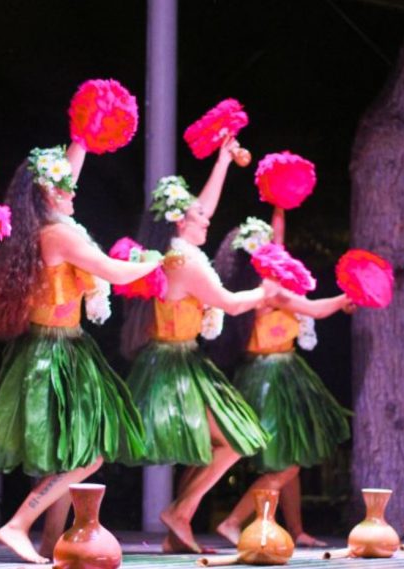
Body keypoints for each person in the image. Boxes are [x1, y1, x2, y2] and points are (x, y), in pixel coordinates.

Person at [0, 142, 161, 563]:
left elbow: (65, 177)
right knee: (87, 455)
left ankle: (48, 542)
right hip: (55, 352)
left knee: (62, 453)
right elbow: (113, 272)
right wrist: (154, 262)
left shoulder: (41, 230)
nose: (75, 194)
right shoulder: (58, 234)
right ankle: (18, 524)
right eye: (66, 189)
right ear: (47, 194)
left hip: (52, 345)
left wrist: (81, 139)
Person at [120, 138, 271, 553]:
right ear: (180, 223)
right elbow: (230, 303)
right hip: (174, 366)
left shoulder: (178, 249)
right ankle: (181, 512)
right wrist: (267, 291)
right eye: (198, 217)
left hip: (180, 358)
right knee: (235, 441)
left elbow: (204, 206)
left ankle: (177, 526)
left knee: (218, 443)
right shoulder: (185, 262)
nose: (208, 220)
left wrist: (222, 161)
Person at [208, 212, 354, 547]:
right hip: (270, 381)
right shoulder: (269, 291)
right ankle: (233, 521)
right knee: (289, 462)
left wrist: (280, 206)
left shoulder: (252, 285)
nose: (277, 252)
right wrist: (345, 299)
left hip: (277, 372)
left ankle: (297, 529)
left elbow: (280, 242)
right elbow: (314, 309)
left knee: (292, 458)